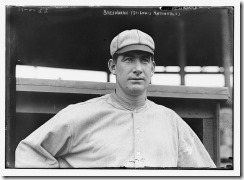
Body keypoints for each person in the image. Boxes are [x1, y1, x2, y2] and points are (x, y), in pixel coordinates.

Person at [15, 29, 216, 168]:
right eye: (128, 59)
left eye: (144, 60)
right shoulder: (79, 115)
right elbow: (29, 152)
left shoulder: (172, 122)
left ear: (152, 68)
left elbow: (205, 172)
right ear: (112, 66)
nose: (138, 68)